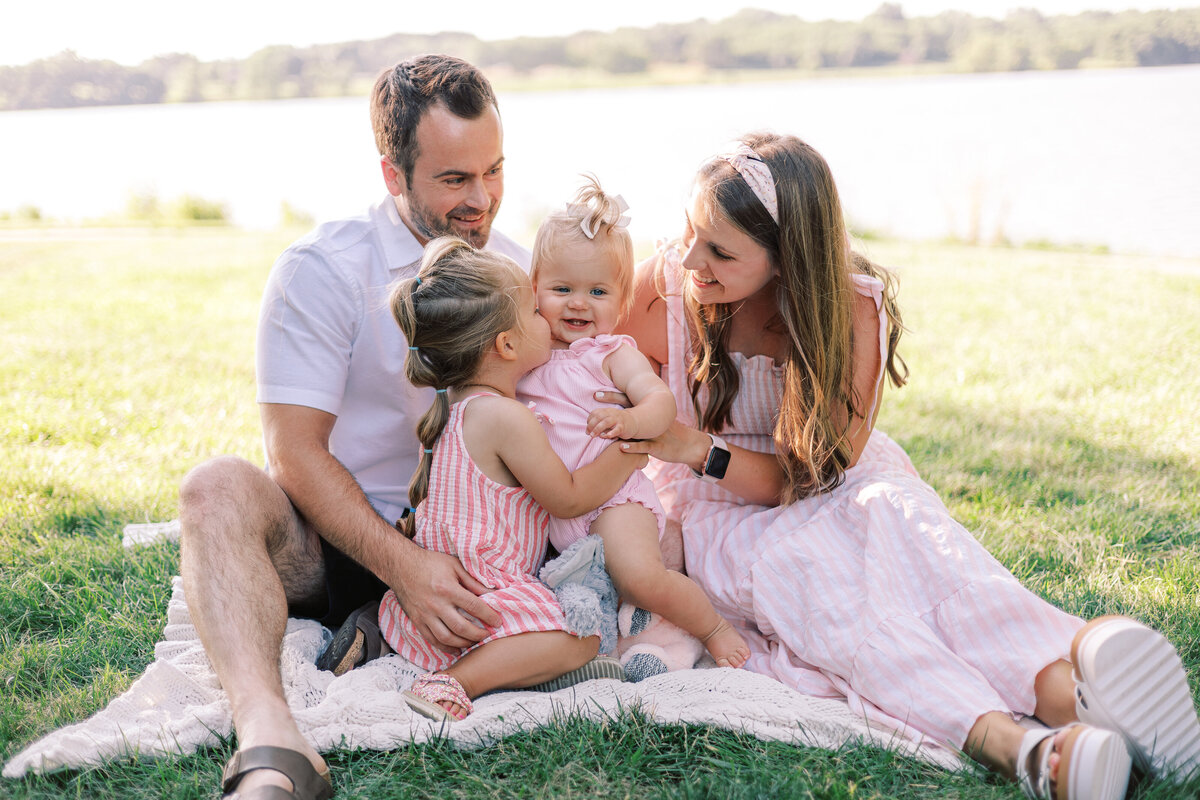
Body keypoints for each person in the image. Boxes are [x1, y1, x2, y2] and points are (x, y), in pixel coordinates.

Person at [613, 132, 1200, 800]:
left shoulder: (850, 308)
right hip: (721, 514)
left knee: (926, 551)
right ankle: (1027, 749)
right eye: (689, 231)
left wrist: (692, 445)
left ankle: (1071, 697)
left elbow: (811, 475)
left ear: (786, 259)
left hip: (834, 484)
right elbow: (577, 367)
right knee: (840, 604)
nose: (690, 258)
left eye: (719, 249)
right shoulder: (661, 290)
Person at [178, 55, 531, 799]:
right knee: (214, 489)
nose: (483, 200)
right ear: (392, 174)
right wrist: (404, 567)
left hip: (482, 550)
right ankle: (271, 738)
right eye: (454, 179)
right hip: (344, 539)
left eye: (494, 170)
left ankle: (382, 627)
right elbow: (294, 454)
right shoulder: (323, 268)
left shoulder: (519, 271)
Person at [373, 236, 643, 720]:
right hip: (484, 592)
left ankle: (487, 666)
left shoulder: (452, 411)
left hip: (434, 602)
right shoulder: (506, 418)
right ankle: (455, 682)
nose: (548, 319)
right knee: (582, 637)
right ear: (508, 344)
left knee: (571, 632)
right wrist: (631, 452)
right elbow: (569, 498)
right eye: (536, 313)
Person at [515, 176, 750, 669]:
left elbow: (659, 401)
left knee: (638, 577)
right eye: (562, 289)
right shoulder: (526, 352)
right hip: (554, 512)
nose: (579, 303)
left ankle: (711, 628)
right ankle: (620, 646)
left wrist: (633, 422)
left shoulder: (610, 353)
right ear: (533, 289)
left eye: (597, 291)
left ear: (622, 304)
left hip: (615, 502)